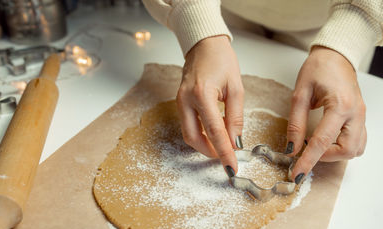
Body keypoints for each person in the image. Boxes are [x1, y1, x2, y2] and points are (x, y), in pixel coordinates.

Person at [142, 0, 383, 181]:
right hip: (219, 12)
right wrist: (196, 22)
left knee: (328, 127)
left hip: (333, 19)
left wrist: (349, 36)